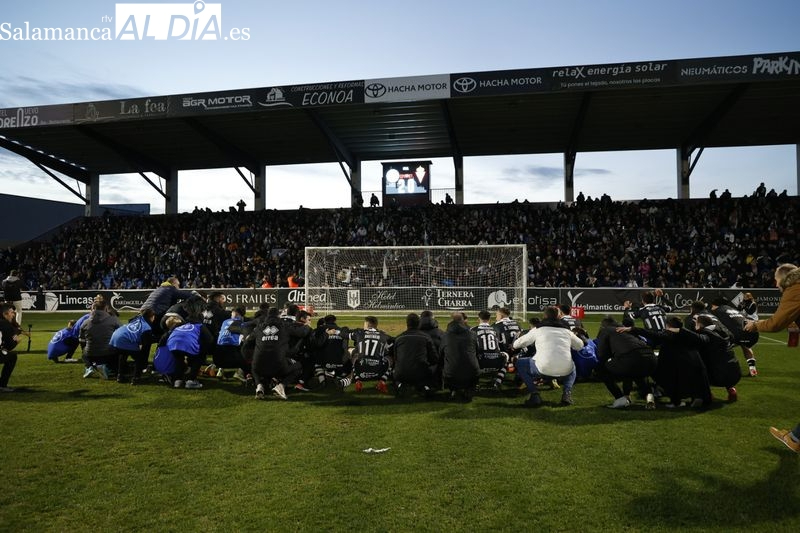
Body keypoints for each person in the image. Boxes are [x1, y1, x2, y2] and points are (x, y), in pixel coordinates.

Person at [743, 264, 800, 454]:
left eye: (776, 281)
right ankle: (795, 437)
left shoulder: (794, 289)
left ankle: (794, 439)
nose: (776, 286)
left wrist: (755, 325)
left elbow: (775, 323)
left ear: (785, 278)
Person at [512, 306, 584, 407]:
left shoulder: (538, 329)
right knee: (572, 365)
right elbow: (580, 346)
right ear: (559, 316)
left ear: (544, 316)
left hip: (542, 368)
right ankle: (567, 393)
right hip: (564, 370)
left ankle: (534, 394)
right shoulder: (567, 331)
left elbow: (516, 345)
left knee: (520, 363)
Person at [595, 317, 657, 409]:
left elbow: (601, 354)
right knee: (634, 371)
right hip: (651, 359)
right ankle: (649, 397)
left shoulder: (606, 331)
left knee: (601, 369)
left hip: (630, 359)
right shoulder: (627, 329)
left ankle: (621, 399)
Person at [251, 307, 302, 400]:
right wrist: (306, 326)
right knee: (298, 366)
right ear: (278, 315)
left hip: (260, 365)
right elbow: (300, 333)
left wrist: (249, 356)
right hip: (279, 366)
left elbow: (248, 342)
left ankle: (259, 386)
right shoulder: (283, 326)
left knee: (254, 367)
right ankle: (281, 386)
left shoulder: (259, 328)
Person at [166, 297, 214, 389]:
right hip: (186, 344)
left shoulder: (181, 323)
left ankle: (177, 381)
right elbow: (209, 339)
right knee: (200, 356)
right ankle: (191, 380)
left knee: (179, 360)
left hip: (172, 344)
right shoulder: (199, 325)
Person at [336, 316, 393, 393]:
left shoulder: (359, 333)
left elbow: (344, 334)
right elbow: (395, 343)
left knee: (354, 354)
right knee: (390, 357)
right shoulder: (384, 336)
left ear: (366, 324)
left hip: (360, 371)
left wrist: (336, 332)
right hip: (378, 372)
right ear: (376, 325)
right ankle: (382, 381)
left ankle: (355, 380)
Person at [391, 312, 439, 398]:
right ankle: (426, 386)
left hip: (401, 374)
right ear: (419, 323)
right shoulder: (426, 337)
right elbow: (434, 359)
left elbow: (395, 358)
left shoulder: (399, 338)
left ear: (407, 324)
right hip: (421, 373)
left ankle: (399, 385)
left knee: (398, 371)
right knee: (435, 366)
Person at [709, 297, 759, 377]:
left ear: (715, 305)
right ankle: (752, 369)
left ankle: (726, 371)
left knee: (721, 349)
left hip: (736, 334)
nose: (711, 307)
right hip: (750, 333)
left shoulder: (717, 311)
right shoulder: (734, 310)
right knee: (746, 347)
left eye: (712, 305)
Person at [440, 312, 479, 402]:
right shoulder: (472, 334)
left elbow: (440, 355)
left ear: (452, 321)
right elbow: (477, 352)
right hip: (472, 374)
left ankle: (453, 389)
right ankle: (469, 389)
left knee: (444, 364)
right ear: (463, 321)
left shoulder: (445, 336)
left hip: (451, 375)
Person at [110, 308, 156, 384]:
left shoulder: (137, 318)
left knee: (123, 354)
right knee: (140, 358)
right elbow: (145, 343)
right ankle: (136, 378)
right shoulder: (147, 327)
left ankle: (120, 376)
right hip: (125, 340)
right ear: (152, 316)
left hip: (115, 338)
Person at [80, 302, 122, 379]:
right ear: (105, 308)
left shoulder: (85, 322)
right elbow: (121, 333)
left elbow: (82, 341)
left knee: (84, 353)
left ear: (92, 309)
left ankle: (89, 367)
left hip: (90, 355)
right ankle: (107, 368)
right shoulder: (113, 320)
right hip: (109, 354)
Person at [472, 310, 508, 391]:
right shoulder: (495, 329)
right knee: (505, 357)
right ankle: (497, 382)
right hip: (496, 363)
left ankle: (476, 383)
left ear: (478, 319)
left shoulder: (473, 330)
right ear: (490, 320)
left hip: (480, 364)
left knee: (469, 355)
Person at [0, 303, 20, 392]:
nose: (13, 314)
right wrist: (16, 341)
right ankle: (2, 385)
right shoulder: (5, 324)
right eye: (11, 312)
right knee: (12, 357)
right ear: (5, 314)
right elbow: (9, 346)